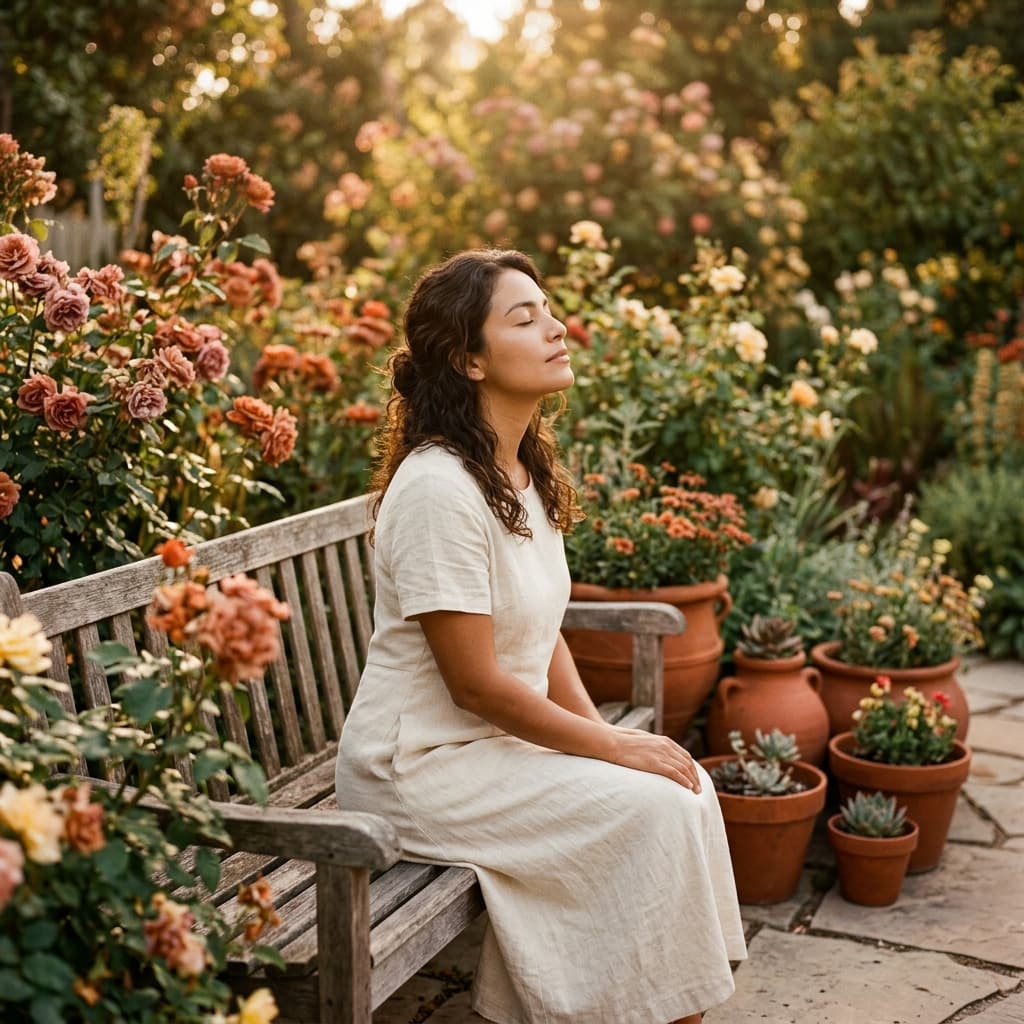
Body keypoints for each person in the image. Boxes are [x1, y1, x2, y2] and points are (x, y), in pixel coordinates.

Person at [335, 249, 746, 1023]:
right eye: (524, 319)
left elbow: (543, 635)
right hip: (417, 767)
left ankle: (653, 1008)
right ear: (469, 360)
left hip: (486, 750)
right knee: (652, 806)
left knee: (683, 788)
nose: (556, 329)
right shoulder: (437, 488)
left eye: (549, 311)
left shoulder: (517, 469)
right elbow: (477, 684)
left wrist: (600, 736)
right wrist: (617, 748)